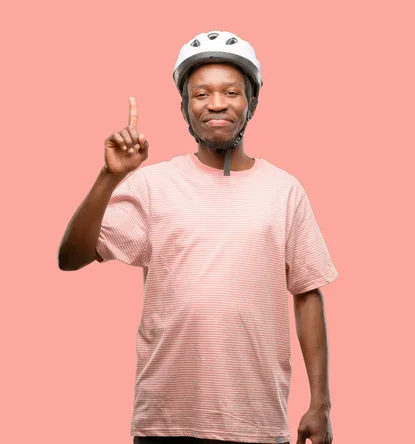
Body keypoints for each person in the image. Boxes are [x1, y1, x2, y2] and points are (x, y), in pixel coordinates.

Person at [57, 30, 338, 444]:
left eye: (231, 92)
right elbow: (72, 256)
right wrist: (109, 178)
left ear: (252, 103)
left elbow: (307, 292)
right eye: (201, 94)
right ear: (185, 109)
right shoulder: (154, 184)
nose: (217, 103)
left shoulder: (284, 190)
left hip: (255, 421)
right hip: (165, 421)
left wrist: (321, 403)